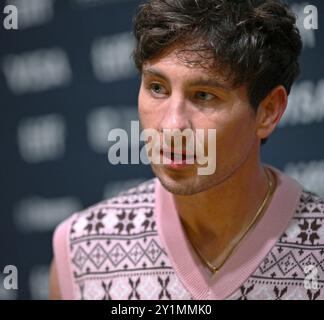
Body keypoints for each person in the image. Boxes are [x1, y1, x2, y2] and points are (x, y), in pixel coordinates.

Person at [49, 0, 324, 300]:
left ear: (268, 111)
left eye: (204, 95)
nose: (171, 126)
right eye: (157, 88)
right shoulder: (83, 249)